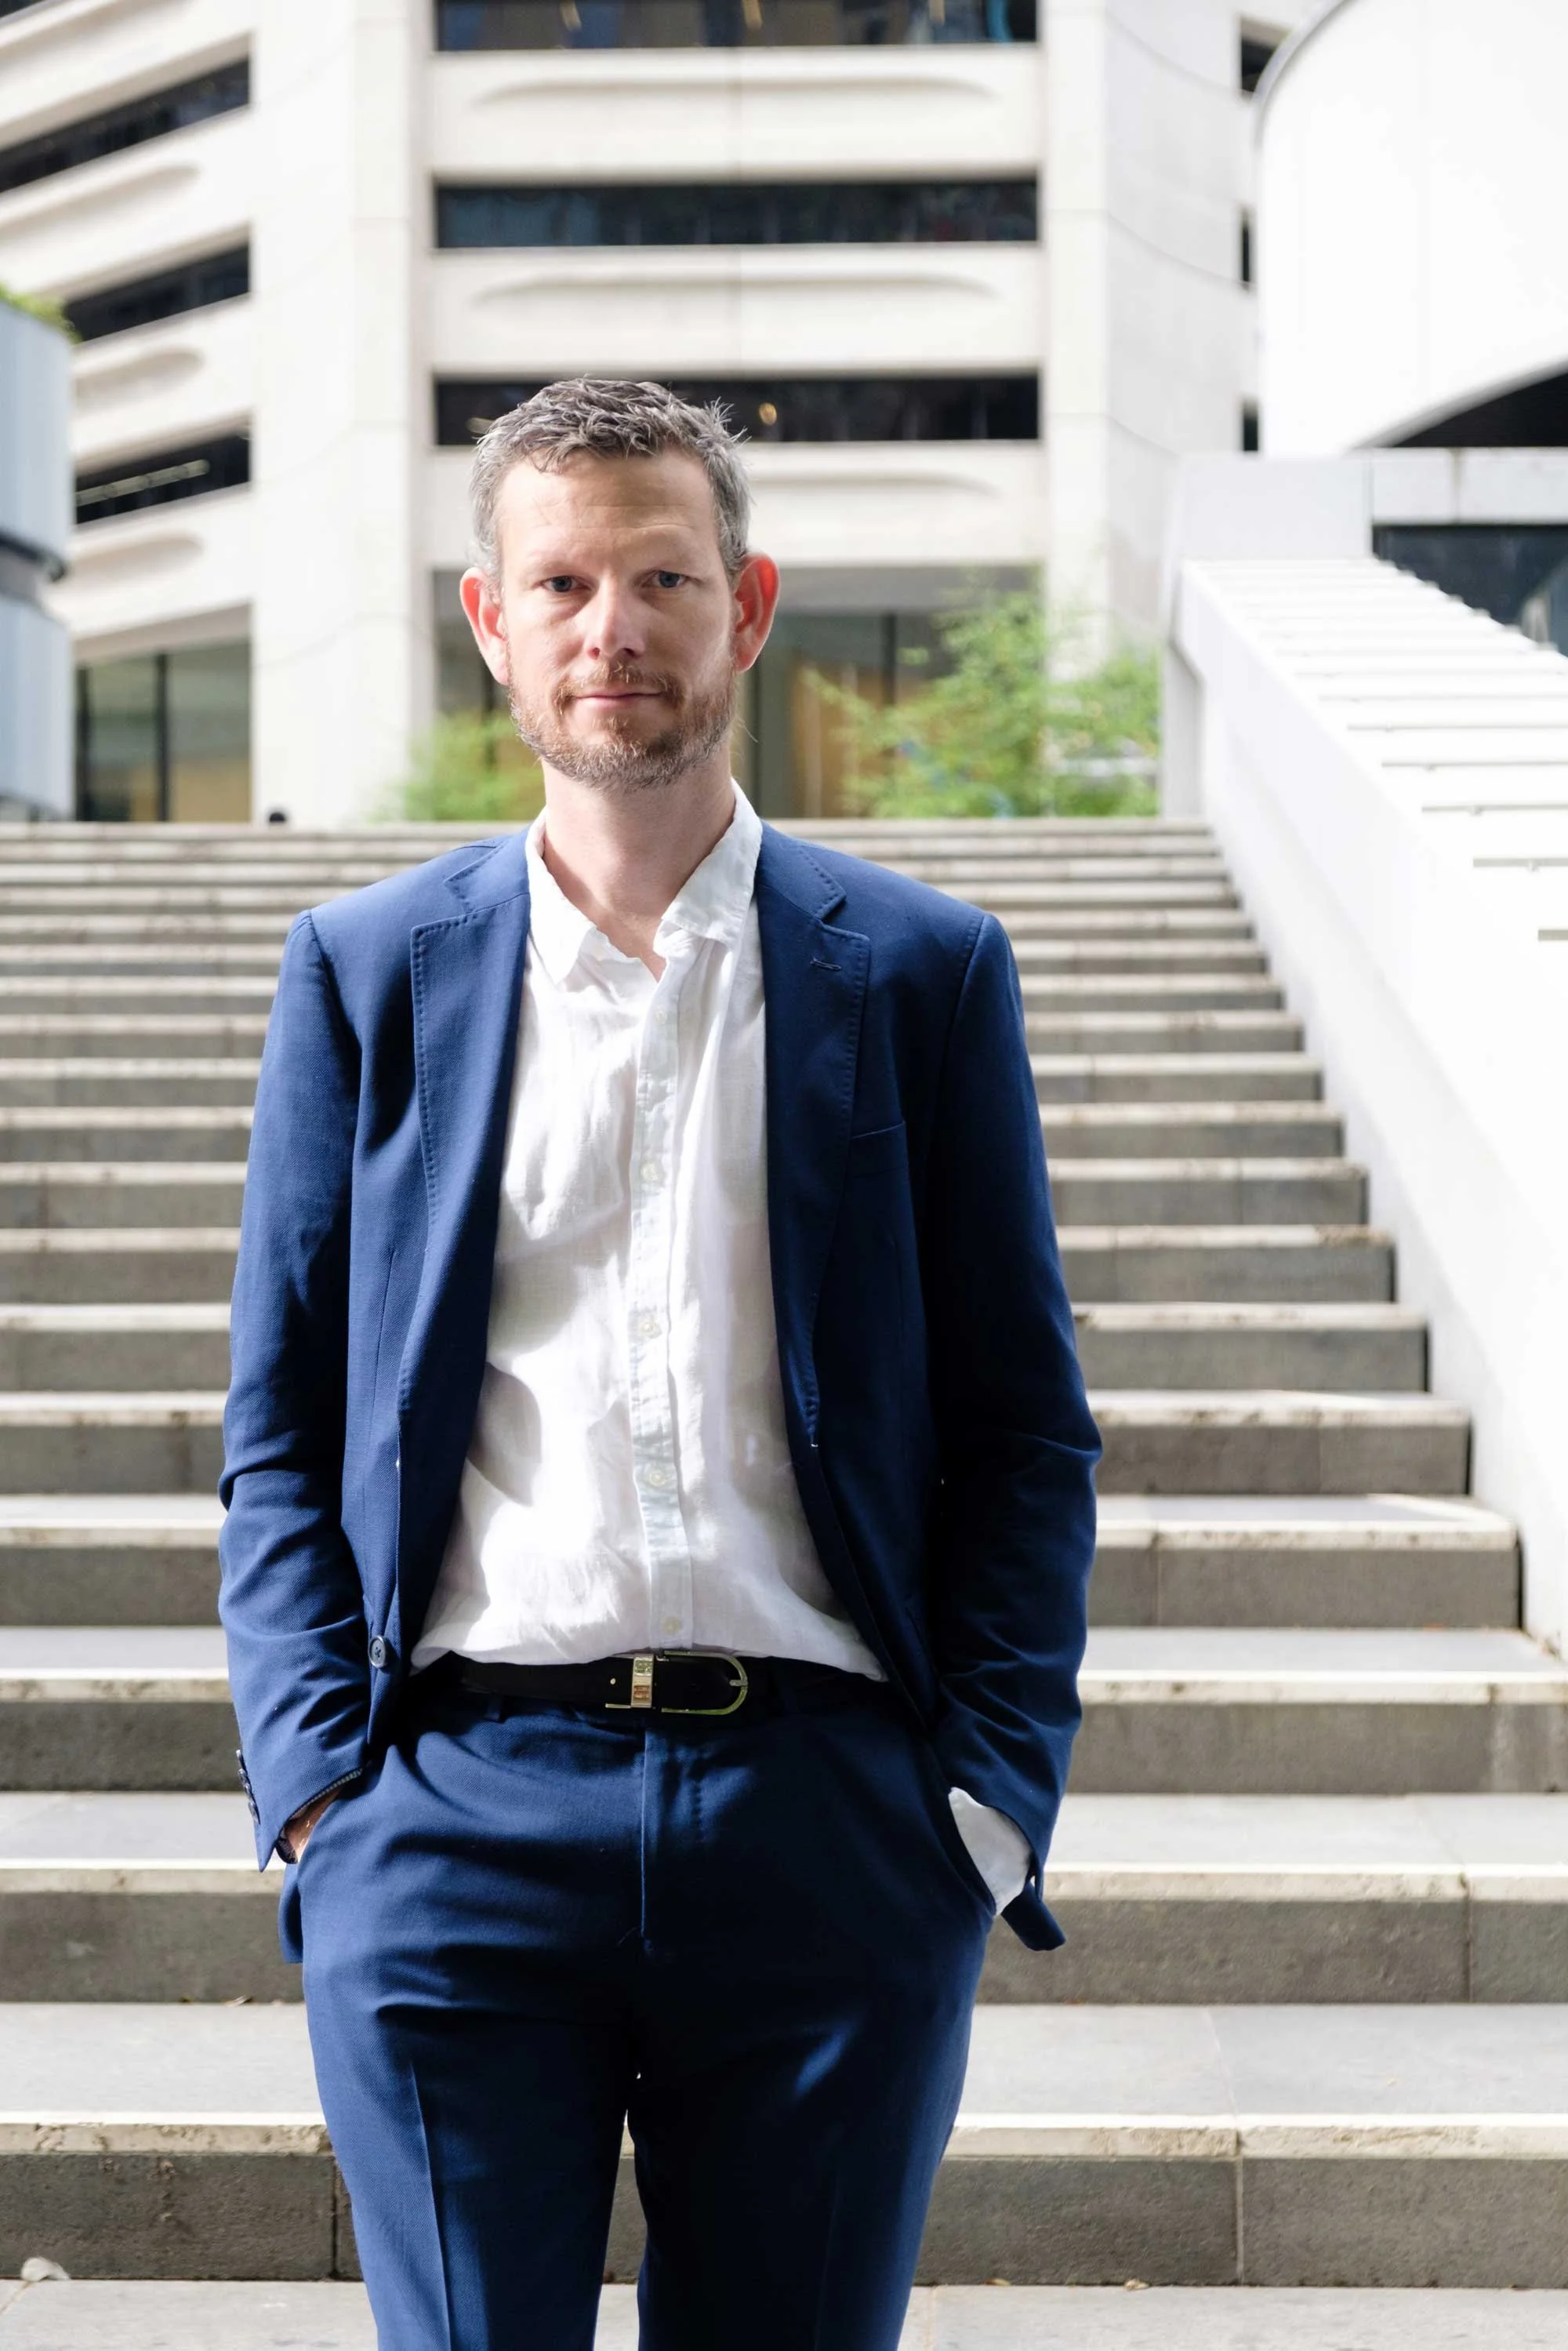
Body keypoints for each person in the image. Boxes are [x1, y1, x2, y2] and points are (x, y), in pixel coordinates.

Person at [220, 376, 1099, 2351]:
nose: (610, 624)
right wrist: (315, 1798)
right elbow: (278, 1426)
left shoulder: (923, 966)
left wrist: (976, 1801)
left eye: (660, 576)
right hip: (450, 1820)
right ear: (491, 621)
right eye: (562, 581)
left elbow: (1027, 1430)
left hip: (827, 1824)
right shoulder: (365, 972)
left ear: (749, 604)